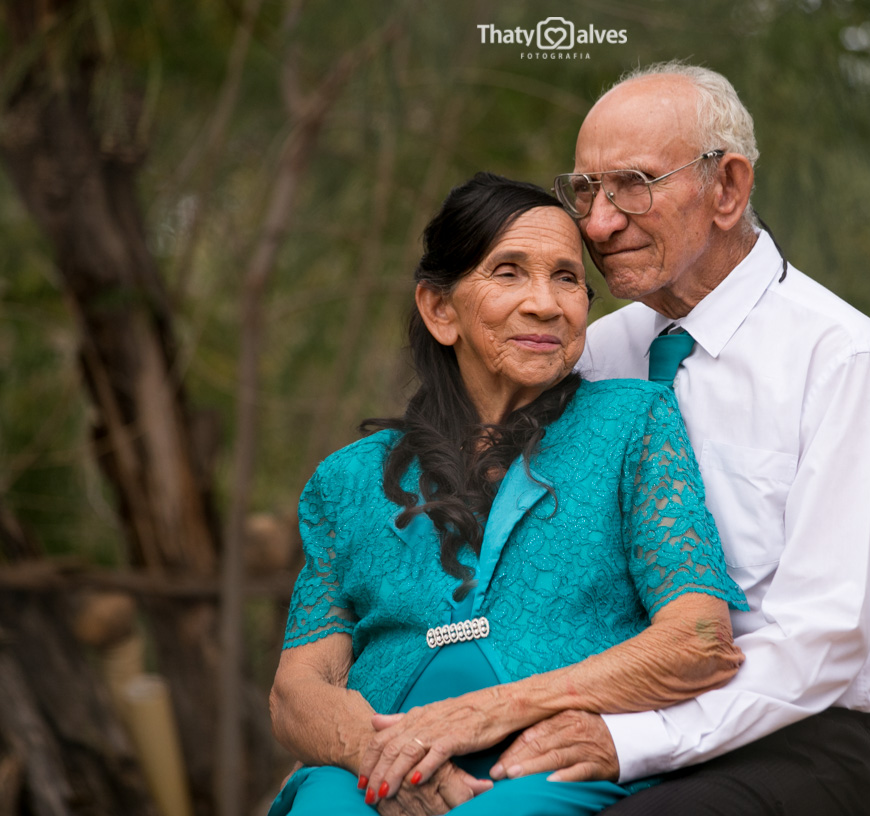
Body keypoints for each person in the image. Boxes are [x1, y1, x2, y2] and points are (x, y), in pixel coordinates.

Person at [487, 62, 870, 815]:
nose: (597, 224)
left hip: (798, 739)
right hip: (599, 709)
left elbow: (821, 641)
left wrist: (630, 741)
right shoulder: (595, 354)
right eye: (586, 191)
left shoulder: (838, 360)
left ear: (727, 188)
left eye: (632, 185)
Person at [267, 172, 750, 816]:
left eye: (567, 278)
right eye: (509, 273)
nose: (546, 304)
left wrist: (488, 712)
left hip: (543, 763)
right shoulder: (348, 481)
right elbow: (296, 691)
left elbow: (701, 641)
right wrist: (377, 752)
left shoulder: (632, 424)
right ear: (441, 310)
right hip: (376, 763)